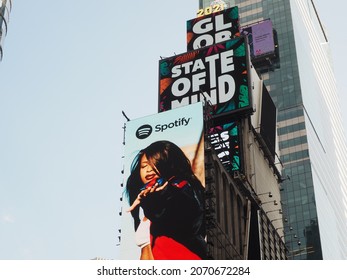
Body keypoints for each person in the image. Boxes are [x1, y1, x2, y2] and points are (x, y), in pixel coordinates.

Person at [125, 140, 206, 260]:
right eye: (143, 166)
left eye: (154, 164)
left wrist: (160, 197)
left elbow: (177, 207)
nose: (148, 170)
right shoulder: (148, 205)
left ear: (168, 165)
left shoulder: (181, 191)